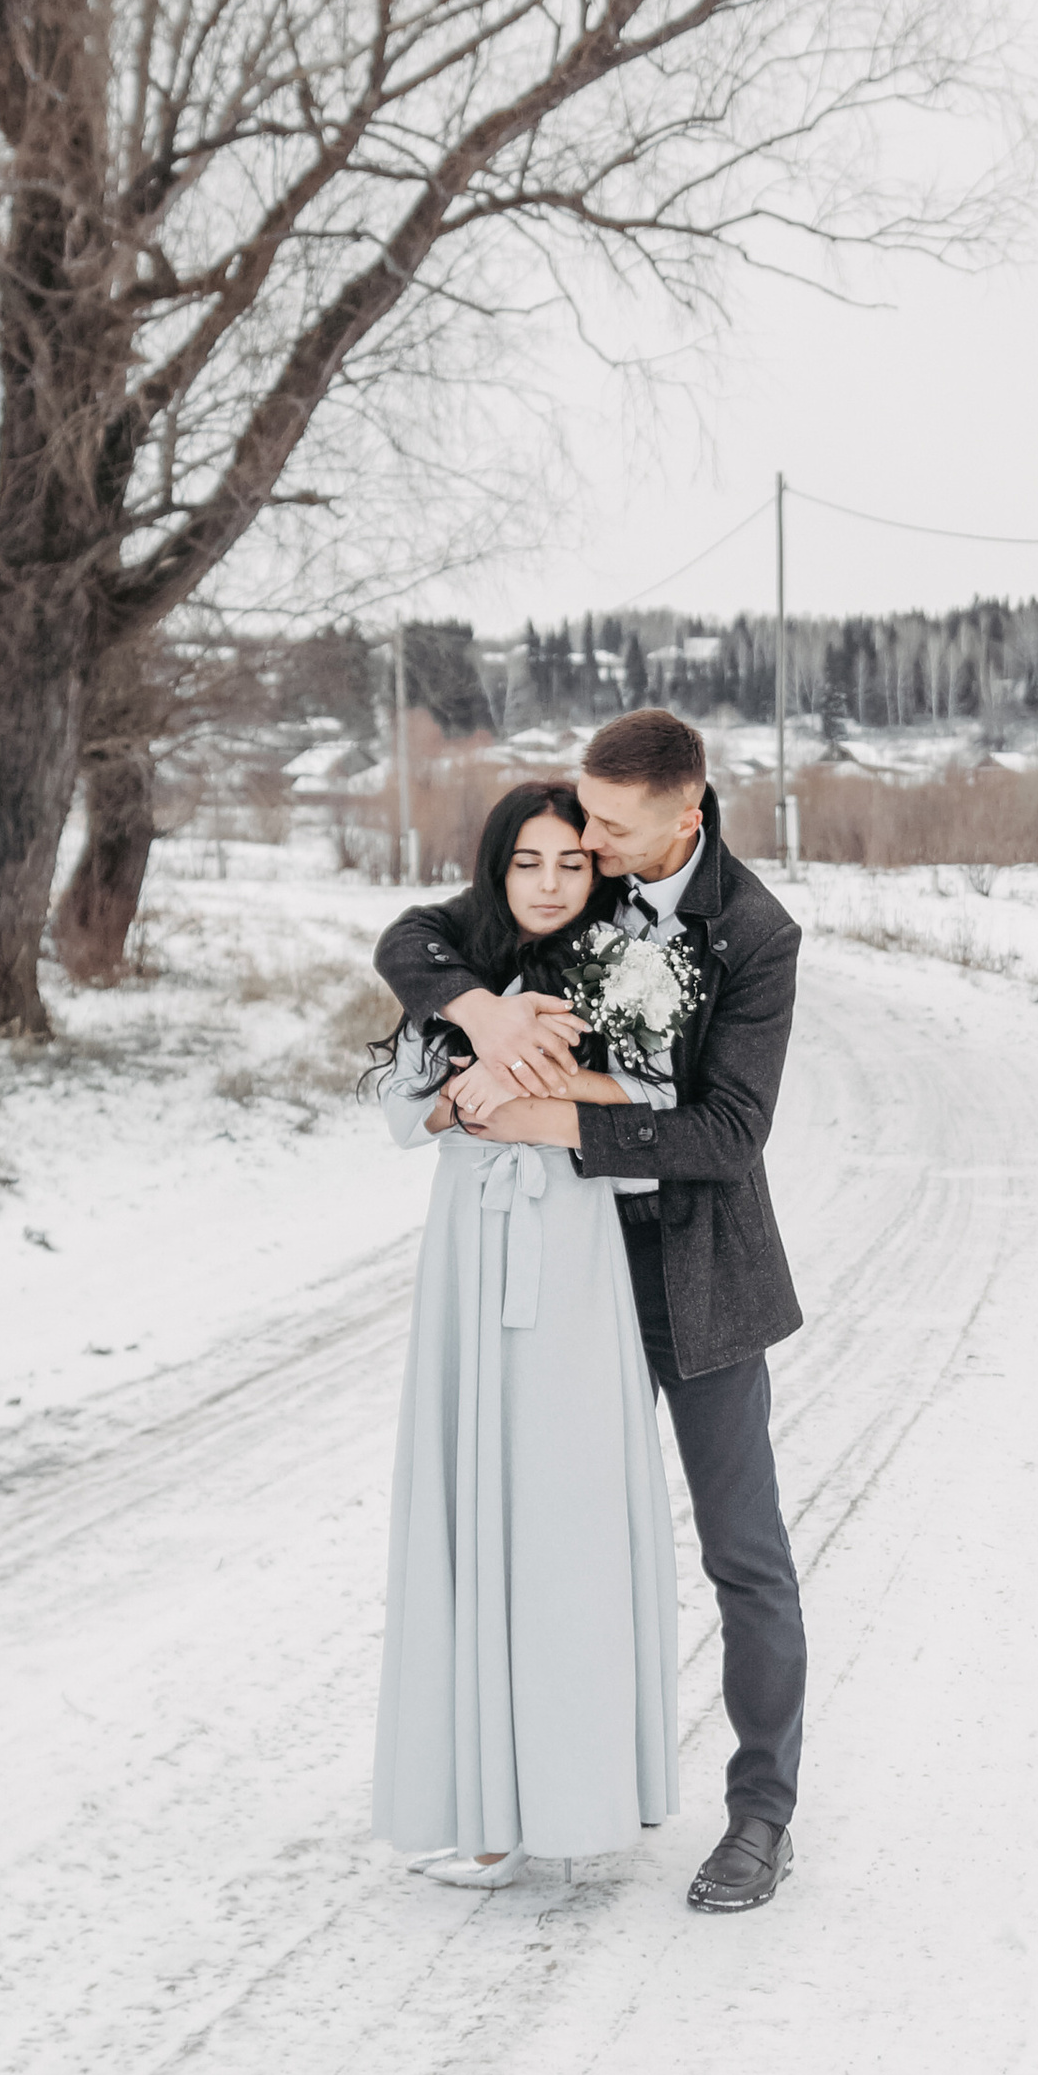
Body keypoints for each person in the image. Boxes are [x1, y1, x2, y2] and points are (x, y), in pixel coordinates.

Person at [376, 707, 807, 1915]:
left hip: (695, 1279)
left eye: (613, 827)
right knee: (531, 1541)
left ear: (691, 810)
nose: (591, 845)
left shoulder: (758, 936)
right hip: (562, 1276)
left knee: (743, 1554)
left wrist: (548, 1116)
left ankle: (761, 1815)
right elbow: (418, 935)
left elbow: (726, 1136)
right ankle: (524, 1797)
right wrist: (485, 1016)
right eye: (586, 819)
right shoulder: (591, 875)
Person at [370, 782, 680, 1890]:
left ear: (597, 873)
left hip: (572, 1252)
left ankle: (583, 1795)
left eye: (570, 864)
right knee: (473, 1512)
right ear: (497, 868)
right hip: (467, 1250)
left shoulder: (630, 965)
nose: (550, 883)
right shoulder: (453, 965)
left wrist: (555, 1086)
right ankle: (488, 1819)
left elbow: (654, 1124)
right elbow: (405, 1109)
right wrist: (465, 1086)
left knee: (567, 1515)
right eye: (527, 863)